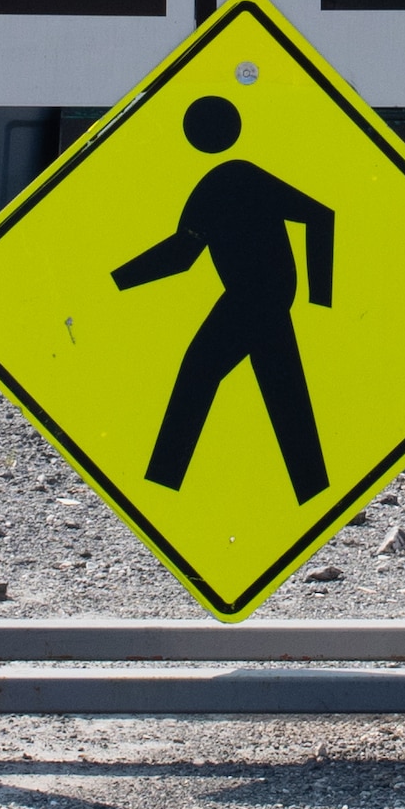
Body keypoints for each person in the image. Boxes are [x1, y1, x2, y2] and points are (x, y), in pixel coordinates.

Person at [111, 94, 339, 504]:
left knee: (199, 372)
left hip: (258, 296)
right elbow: (183, 255)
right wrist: (117, 282)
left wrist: (320, 300)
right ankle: (314, 491)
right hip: (258, 297)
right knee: (282, 389)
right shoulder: (216, 184)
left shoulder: (235, 177)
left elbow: (321, 216)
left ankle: (163, 483)